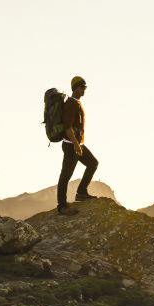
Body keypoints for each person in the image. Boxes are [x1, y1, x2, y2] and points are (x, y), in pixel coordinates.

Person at [56, 76, 98, 215]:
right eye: (82, 87)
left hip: (77, 144)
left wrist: (78, 144)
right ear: (76, 88)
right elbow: (67, 127)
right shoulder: (70, 104)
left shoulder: (77, 103)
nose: (84, 90)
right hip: (71, 145)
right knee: (65, 176)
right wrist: (76, 145)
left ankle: (81, 192)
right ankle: (62, 206)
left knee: (93, 163)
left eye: (85, 88)